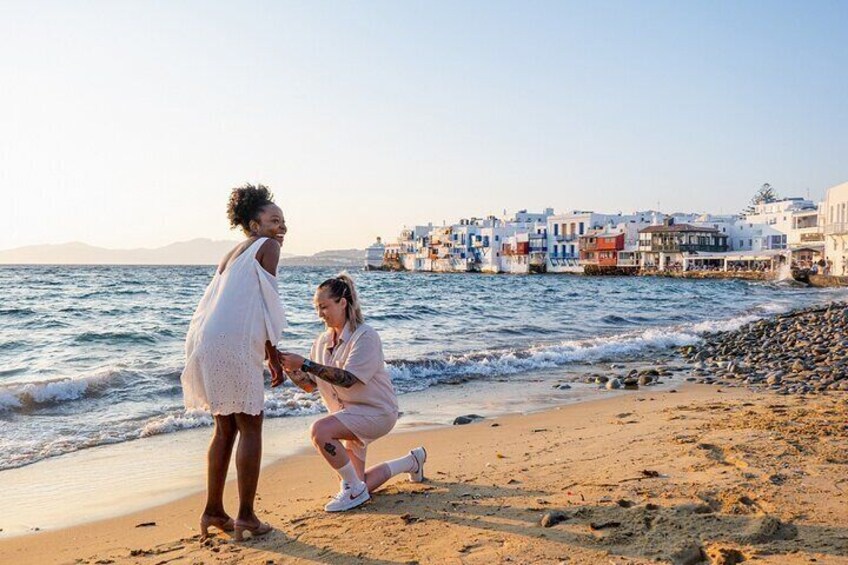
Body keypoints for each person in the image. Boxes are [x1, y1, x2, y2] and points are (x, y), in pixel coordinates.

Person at [180, 184, 288, 540]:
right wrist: (273, 356)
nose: (281, 228)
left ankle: (213, 511)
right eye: (274, 221)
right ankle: (246, 517)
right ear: (254, 224)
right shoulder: (267, 247)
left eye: (283, 222)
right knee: (252, 424)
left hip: (208, 339)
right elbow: (267, 304)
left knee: (225, 428)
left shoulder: (231, 253)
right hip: (235, 342)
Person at [279, 274, 426, 512]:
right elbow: (310, 385)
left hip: (376, 412)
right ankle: (411, 461)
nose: (320, 314)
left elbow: (347, 379)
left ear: (343, 303)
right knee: (360, 482)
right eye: (317, 308)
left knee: (320, 431)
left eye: (324, 307)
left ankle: (353, 490)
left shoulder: (365, 336)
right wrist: (289, 368)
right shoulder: (321, 342)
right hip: (348, 416)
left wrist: (304, 363)